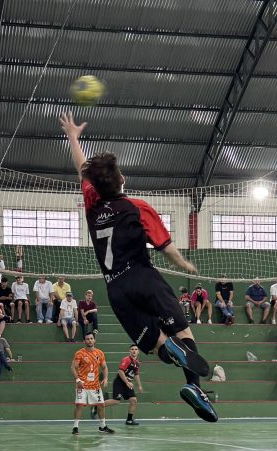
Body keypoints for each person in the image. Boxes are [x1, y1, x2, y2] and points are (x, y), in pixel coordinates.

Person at [61, 111, 216, 422]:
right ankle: (193, 386)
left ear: (95, 184)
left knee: (157, 344)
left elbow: (82, 169)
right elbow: (165, 248)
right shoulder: (137, 207)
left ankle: (168, 348)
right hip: (142, 277)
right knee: (182, 329)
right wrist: (185, 264)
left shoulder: (92, 205)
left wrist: (73, 138)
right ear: (121, 180)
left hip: (115, 289)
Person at [71, 332, 114, 435]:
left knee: (101, 405)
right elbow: (73, 368)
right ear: (84, 341)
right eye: (87, 339)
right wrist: (78, 380)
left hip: (95, 385)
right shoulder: (79, 353)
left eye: (91, 338)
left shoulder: (100, 353)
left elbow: (104, 367)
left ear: (94, 340)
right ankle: (75, 427)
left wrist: (106, 378)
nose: (90, 340)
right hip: (82, 385)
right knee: (79, 405)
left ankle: (102, 427)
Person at [99, 344, 144, 425]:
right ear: (129, 351)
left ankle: (129, 420)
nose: (134, 351)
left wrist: (139, 385)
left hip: (128, 384)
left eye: (136, 349)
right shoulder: (126, 360)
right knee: (116, 401)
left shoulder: (137, 363)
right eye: (132, 349)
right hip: (120, 382)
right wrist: (127, 382)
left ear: (138, 352)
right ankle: (97, 406)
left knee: (133, 400)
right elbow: (120, 371)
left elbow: (136, 374)